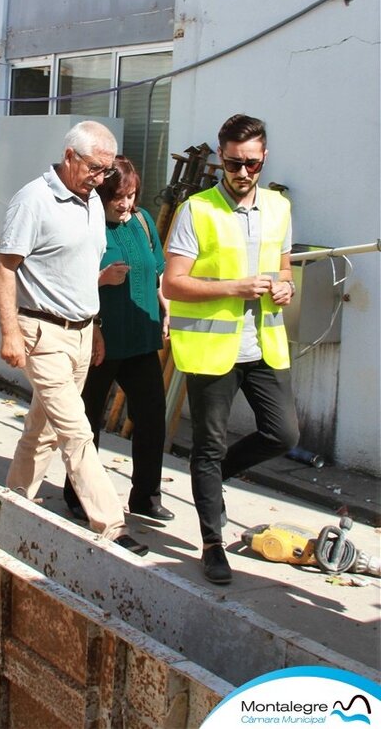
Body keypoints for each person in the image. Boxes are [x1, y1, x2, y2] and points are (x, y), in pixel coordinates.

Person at [0, 120, 148, 556]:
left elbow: (81, 273)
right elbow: (4, 268)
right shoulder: (33, 201)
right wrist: (9, 333)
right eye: (96, 168)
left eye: (106, 169)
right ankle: (112, 524)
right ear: (70, 157)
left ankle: (14, 500)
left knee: (42, 430)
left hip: (80, 334)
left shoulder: (92, 203)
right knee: (77, 431)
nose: (102, 178)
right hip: (41, 333)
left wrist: (94, 328)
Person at [163, 113, 299, 585]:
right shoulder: (196, 210)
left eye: (253, 165)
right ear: (221, 157)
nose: (244, 174)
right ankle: (212, 544)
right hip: (211, 350)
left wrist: (286, 288)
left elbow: (284, 270)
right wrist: (233, 287)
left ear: (264, 159)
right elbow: (174, 284)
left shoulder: (279, 208)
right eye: (235, 164)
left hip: (264, 345)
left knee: (284, 434)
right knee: (208, 444)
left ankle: (214, 476)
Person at [62, 156, 173, 523]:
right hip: (100, 339)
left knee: (152, 417)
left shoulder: (141, 223)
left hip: (141, 336)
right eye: (118, 198)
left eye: (132, 195)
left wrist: (165, 305)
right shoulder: (88, 226)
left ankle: (145, 495)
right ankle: (79, 494)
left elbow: (156, 270)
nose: (126, 204)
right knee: (87, 420)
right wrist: (101, 278)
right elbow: (64, 280)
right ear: (102, 196)